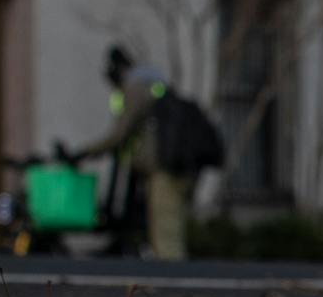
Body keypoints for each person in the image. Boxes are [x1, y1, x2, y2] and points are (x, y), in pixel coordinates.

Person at [88, 46, 224, 259]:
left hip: (166, 170)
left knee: (166, 237)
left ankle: (172, 278)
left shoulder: (136, 89)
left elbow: (119, 134)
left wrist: (86, 151)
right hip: (183, 167)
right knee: (173, 228)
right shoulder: (158, 87)